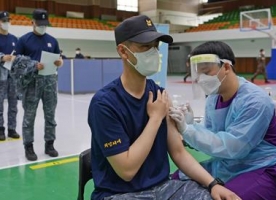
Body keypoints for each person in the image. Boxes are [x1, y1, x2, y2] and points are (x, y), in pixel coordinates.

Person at [88, 15, 241, 200]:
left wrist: (213, 184)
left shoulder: (159, 93)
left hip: (163, 188)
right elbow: (127, 170)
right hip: (120, 194)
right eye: (145, 47)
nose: (153, 52)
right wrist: (154, 118)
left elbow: (178, 152)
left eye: (155, 46)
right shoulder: (105, 104)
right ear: (123, 51)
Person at [169, 41, 276, 200]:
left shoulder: (255, 101)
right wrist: (192, 124)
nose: (201, 79)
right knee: (176, 180)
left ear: (226, 67)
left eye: (206, 71)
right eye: (198, 74)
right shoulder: (214, 98)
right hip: (228, 165)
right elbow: (213, 137)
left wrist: (188, 130)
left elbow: (234, 148)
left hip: (263, 168)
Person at [15, 8, 63, 161]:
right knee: (29, 116)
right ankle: (28, 146)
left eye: (45, 24)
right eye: (39, 24)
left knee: (50, 115)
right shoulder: (23, 40)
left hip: (49, 80)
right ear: (32, 22)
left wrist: (60, 62)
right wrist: (33, 66)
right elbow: (16, 63)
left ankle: (50, 144)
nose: (42, 27)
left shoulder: (52, 40)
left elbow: (59, 58)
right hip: (31, 83)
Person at [0, 11, 20, 141]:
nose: (6, 23)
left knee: (13, 102)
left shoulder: (14, 39)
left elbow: (19, 54)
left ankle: (12, 128)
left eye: (8, 20)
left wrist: (15, 58)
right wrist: (2, 57)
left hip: (12, 74)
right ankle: (0, 129)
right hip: (0, 74)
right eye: (4, 21)